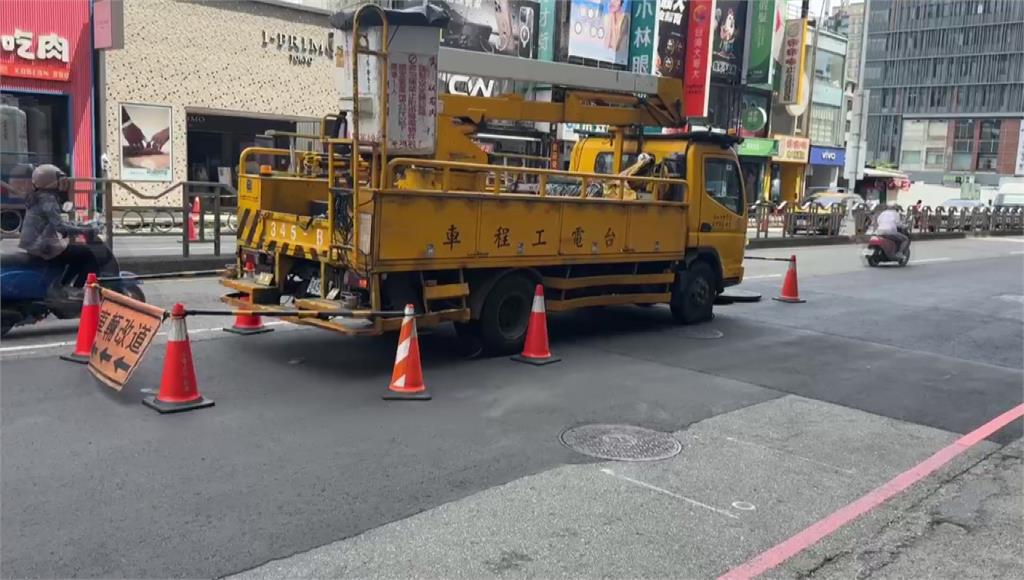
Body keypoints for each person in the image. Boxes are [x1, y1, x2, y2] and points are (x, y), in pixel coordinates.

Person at [18, 164, 99, 292]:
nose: (62, 182)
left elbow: (54, 221)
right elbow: (60, 227)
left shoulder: (37, 196)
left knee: (78, 254)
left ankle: (63, 286)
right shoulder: (48, 199)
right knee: (88, 255)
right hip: (43, 247)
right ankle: (75, 290)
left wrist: (77, 226)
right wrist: (86, 230)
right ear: (50, 181)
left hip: (34, 244)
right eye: (59, 179)